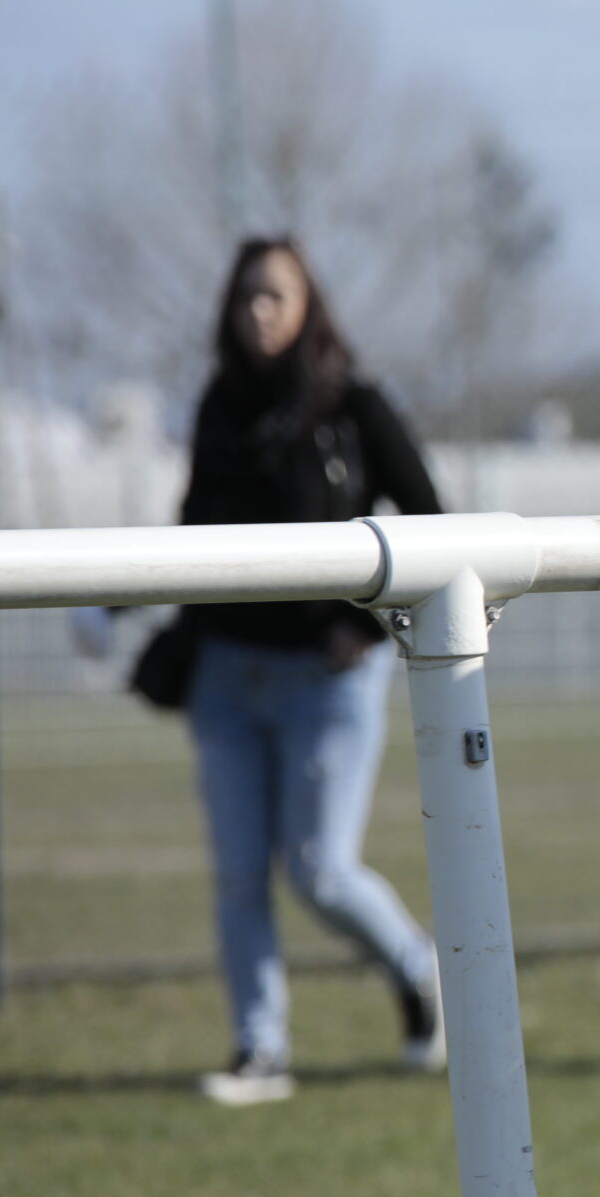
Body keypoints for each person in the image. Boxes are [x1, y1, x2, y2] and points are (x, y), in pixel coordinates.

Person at [179, 237, 447, 1107]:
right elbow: (187, 529)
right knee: (237, 872)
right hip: (225, 674)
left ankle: (417, 969)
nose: (259, 311)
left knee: (322, 868)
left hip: (325, 679)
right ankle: (261, 1050)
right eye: (246, 296)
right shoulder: (219, 404)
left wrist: (361, 626)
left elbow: (431, 523)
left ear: (308, 308)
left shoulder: (353, 403)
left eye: (276, 296)